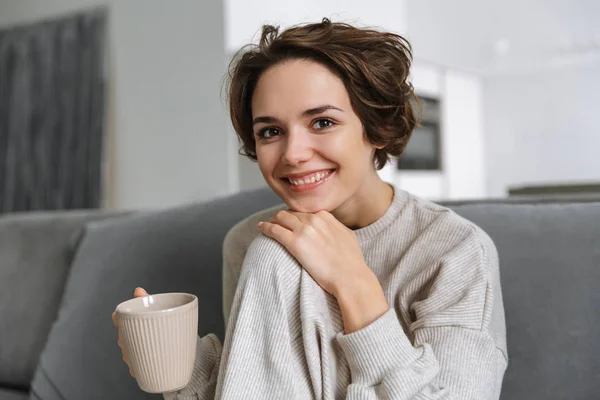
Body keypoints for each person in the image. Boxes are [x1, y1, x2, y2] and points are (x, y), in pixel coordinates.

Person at [113, 18, 508, 399]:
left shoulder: (455, 251)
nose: (293, 155)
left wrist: (354, 283)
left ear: (375, 128)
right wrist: (182, 369)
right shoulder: (246, 241)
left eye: (321, 122)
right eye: (270, 131)